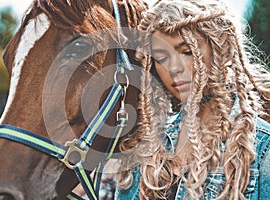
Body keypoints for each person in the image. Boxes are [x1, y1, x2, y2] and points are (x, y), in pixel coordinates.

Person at [114, 0, 270, 199]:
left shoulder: (263, 149)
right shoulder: (147, 147)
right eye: (161, 57)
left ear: (221, 51)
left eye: (187, 52)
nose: (173, 68)